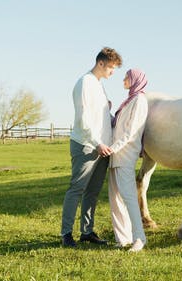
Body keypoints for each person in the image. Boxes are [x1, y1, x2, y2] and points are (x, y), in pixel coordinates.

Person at [61, 47, 122, 247]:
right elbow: (83, 119)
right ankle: (66, 235)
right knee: (77, 189)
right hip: (87, 145)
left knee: (93, 192)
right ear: (101, 63)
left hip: (103, 148)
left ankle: (86, 232)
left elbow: (101, 116)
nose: (113, 72)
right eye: (111, 67)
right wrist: (97, 143)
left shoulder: (99, 85)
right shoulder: (84, 83)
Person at [108, 68, 149, 252]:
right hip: (115, 155)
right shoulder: (128, 101)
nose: (123, 79)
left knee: (129, 197)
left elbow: (131, 131)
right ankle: (122, 238)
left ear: (135, 80)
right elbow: (117, 126)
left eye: (127, 77)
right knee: (115, 199)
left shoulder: (140, 100)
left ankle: (140, 238)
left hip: (125, 153)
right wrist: (108, 112)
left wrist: (113, 148)